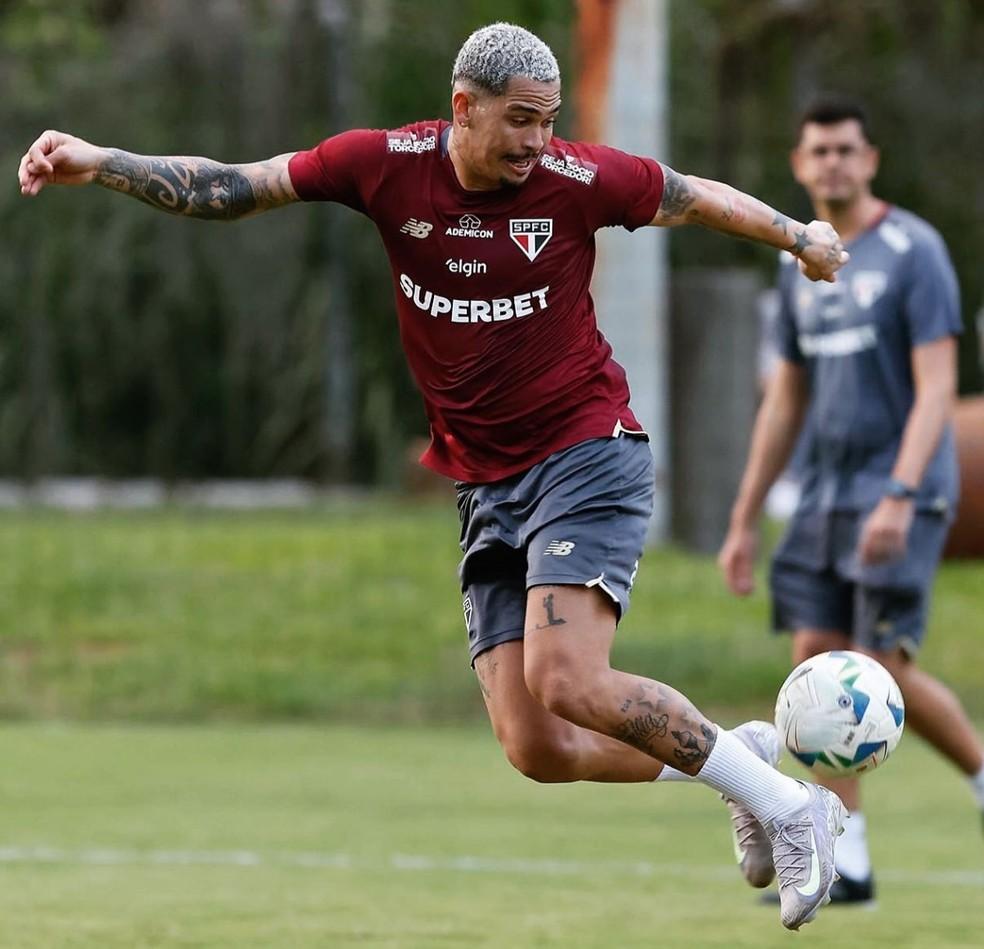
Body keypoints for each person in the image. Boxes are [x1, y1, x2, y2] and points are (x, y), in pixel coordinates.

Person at [19, 24, 852, 930]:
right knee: (536, 744)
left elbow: (693, 199)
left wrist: (796, 235)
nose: (538, 141)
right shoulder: (384, 166)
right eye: (520, 120)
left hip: (587, 449)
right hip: (487, 485)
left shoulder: (578, 180)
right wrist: (100, 160)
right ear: (464, 106)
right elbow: (232, 187)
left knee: (569, 677)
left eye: (549, 121)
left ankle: (791, 806)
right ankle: (745, 760)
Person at [719, 96, 984, 905]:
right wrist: (743, 516)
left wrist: (901, 495)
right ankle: (849, 858)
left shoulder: (914, 250)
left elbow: (939, 387)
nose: (832, 163)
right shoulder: (795, 257)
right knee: (816, 671)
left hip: (896, 490)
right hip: (824, 497)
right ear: (799, 165)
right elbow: (785, 398)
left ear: (870, 160)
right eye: (817, 151)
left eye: (846, 150)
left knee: (879, 668)